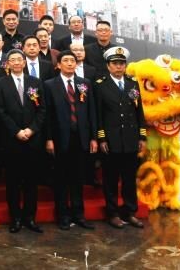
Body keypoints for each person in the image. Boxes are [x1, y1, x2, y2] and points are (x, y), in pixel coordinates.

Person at [0, 49, 46, 234]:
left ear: (24, 62)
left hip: (33, 140)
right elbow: (0, 111)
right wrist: (16, 131)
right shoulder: (0, 84)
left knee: (31, 182)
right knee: (13, 182)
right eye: (12, 60)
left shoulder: (36, 82)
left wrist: (31, 129)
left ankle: (30, 218)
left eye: (19, 59)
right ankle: (15, 218)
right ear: (7, 64)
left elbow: (42, 110)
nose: (16, 62)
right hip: (11, 141)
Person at [44, 51, 97, 230]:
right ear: (58, 65)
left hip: (81, 138)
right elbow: (47, 115)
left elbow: (91, 111)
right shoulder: (50, 85)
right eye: (65, 60)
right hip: (60, 139)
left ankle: (79, 214)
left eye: (72, 60)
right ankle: (63, 216)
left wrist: (93, 137)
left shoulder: (85, 83)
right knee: (61, 179)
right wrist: (49, 138)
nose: (69, 63)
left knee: (78, 178)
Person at [95, 46, 147, 229]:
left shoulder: (133, 84)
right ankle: (113, 213)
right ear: (108, 66)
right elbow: (98, 114)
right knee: (110, 179)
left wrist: (142, 136)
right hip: (111, 141)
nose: (119, 67)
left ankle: (129, 211)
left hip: (130, 139)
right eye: (115, 63)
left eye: (122, 63)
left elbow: (139, 111)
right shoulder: (100, 85)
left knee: (129, 179)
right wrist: (102, 138)